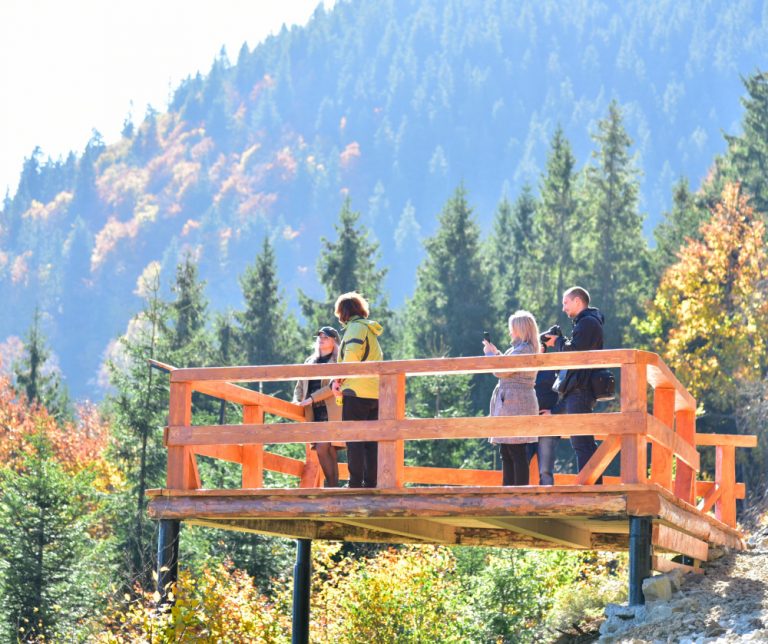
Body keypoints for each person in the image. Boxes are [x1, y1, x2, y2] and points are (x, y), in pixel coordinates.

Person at [543, 286, 605, 481]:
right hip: (582, 389)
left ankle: (590, 488)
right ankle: (593, 487)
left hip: (581, 389)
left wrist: (559, 342)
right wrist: (562, 340)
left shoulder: (587, 323)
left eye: (566, 303)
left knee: (582, 443)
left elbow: (574, 352)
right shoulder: (588, 322)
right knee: (583, 442)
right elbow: (577, 348)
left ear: (578, 301)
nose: (563, 308)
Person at [331, 291, 384, 488]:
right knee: (371, 442)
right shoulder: (369, 330)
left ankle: (354, 483)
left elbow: (351, 360)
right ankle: (371, 482)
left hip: (356, 393)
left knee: (354, 440)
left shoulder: (354, 329)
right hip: (375, 393)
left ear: (343, 312)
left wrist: (337, 381)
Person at [483, 310, 540, 486]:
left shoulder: (524, 350)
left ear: (520, 329)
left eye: (512, 328)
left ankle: (518, 493)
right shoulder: (518, 349)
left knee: (515, 450)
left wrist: (490, 356)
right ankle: (508, 491)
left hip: (516, 403)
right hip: (511, 402)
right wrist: (496, 354)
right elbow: (506, 365)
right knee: (507, 451)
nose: (510, 332)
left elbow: (501, 370)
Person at [293, 326, 345, 487]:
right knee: (327, 449)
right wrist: (296, 401)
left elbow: (333, 386)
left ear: (334, 341)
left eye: (326, 337)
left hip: (332, 410)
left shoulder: (338, 361)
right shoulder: (309, 361)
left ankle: (331, 486)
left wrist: (312, 398)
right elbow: (299, 386)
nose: (321, 339)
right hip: (314, 412)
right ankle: (335, 488)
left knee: (323, 447)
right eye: (320, 337)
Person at [531, 341, 559, 485]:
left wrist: (554, 412)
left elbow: (566, 394)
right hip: (526, 424)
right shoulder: (524, 366)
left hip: (547, 424)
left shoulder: (553, 368)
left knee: (545, 470)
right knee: (521, 464)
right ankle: (521, 503)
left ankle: (547, 503)